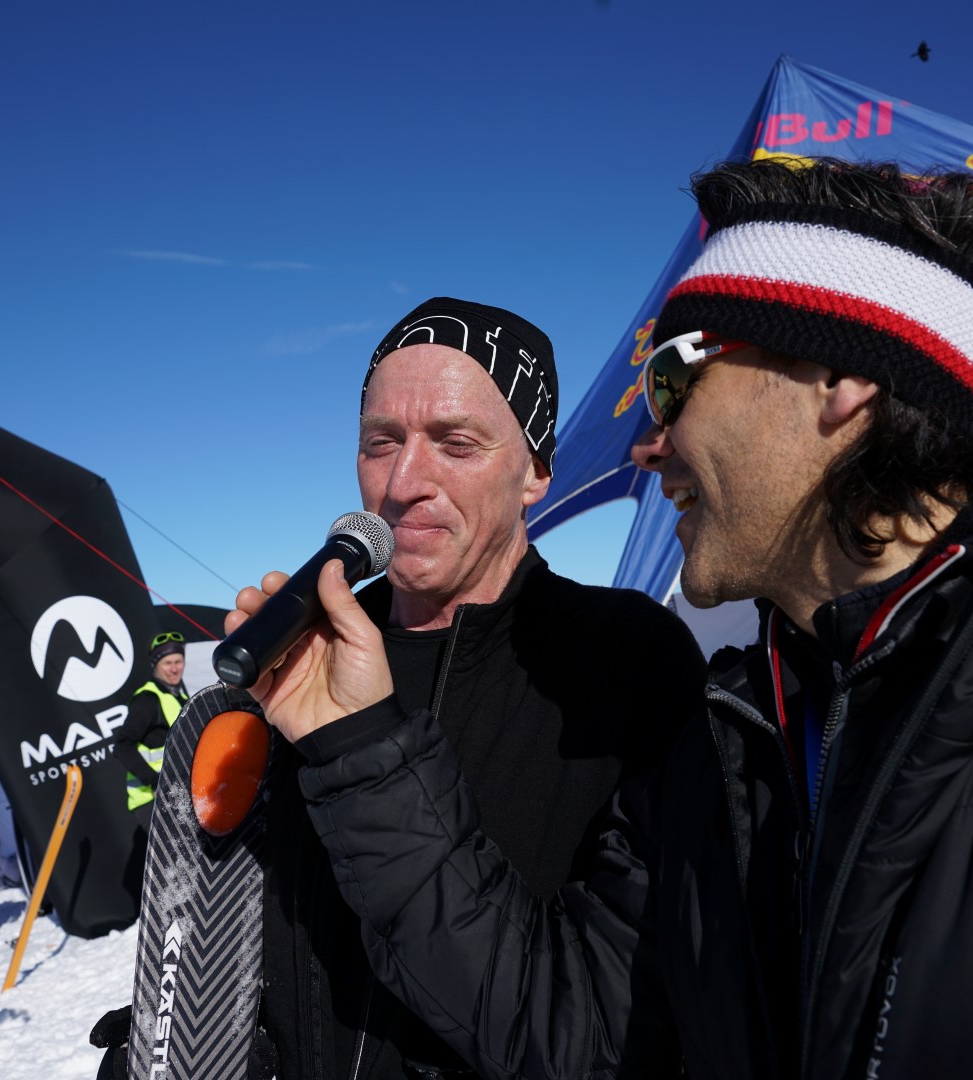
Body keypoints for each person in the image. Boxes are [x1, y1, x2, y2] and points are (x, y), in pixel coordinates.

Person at [233, 160, 973, 1078]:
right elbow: (577, 1032)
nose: (646, 446)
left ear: (842, 381)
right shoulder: (737, 739)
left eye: (671, 380)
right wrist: (358, 752)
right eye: (380, 440)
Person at [91, 297, 705, 1079]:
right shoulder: (298, 659)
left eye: (457, 443)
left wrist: (360, 750)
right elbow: (234, 935)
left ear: (535, 472)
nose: (404, 481)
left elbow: (602, 1041)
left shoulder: (624, 660)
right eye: (381, 442)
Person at [115, 629, 190, 905]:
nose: (174, 668)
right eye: (167, 663)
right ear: (156, 665)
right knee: (176, 864)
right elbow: (122, 745)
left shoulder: (177, 694)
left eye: (178, 661)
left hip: (176, 795)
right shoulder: (147, 700)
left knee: (191, 861)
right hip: (151, 800)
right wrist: (155, 780)